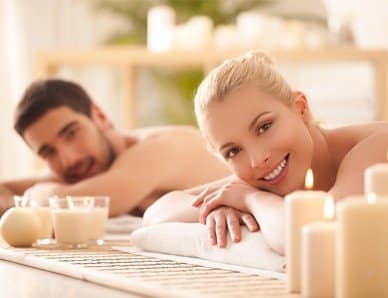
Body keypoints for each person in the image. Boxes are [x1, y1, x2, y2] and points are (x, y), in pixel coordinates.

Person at [144, 51, 388, 255]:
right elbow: (158, 212)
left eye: (264, 127)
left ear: (300, 108)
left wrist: (252, 201)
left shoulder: (375, 146)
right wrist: (218, 207)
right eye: (233, 151)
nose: (257, 159)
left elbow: (307, 239)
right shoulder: (258, 177)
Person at [0, 79, 231, 217]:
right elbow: (5, 189)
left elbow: (65, 203)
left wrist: (43, 193)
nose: (68, 159)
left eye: (71, 133)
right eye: (48, 152)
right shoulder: (91, 168)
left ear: (99, 117)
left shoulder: (160, 149)